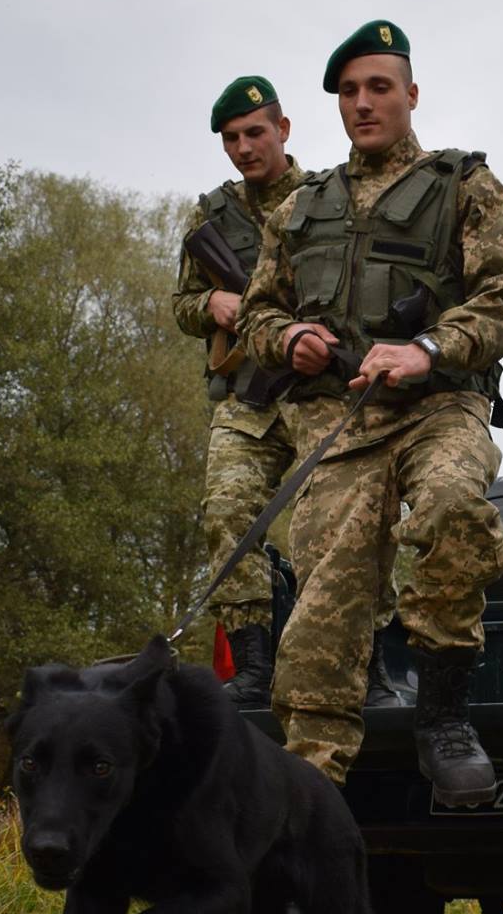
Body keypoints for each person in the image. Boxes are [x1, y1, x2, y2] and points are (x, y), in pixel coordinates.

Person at [237, 20, 503, 803]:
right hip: (341, 423)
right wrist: (289, 336)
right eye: (348, 91)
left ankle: (441, 716)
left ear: (410, 95)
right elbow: (257, 314)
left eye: (378, 87)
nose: (363, 103)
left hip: (439, 405)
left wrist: (430, 349)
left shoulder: (464, 185)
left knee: (451, 509)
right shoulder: (301, 206)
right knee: (320, 613)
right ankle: (306, 802)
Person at [170, 75, 401, 708]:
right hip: (246, 398)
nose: (244, 148)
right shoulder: (211, 214)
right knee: (226, 511)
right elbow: (182, 303)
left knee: (343, 525)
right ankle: (251, 662)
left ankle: (370, 661)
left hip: (315, 395)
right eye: (231, 139)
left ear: (284, 130)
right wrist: (212, 303)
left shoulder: (329, 199)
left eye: (254, 133)